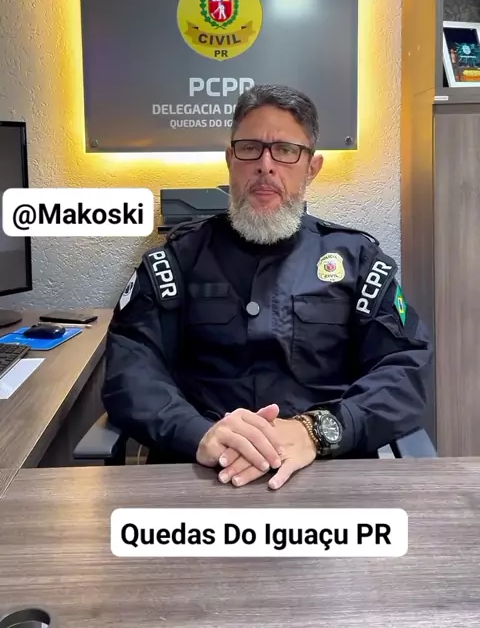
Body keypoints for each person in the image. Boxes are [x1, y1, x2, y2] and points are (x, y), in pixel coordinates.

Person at [102, 84, 432, 490]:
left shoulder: (358, 261)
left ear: (312, 167)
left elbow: (404, 369)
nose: (265, 165)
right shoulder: (176, 261)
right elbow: (131, 369)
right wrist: (196, 433)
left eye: (286, 150)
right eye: (249, 148)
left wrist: (318, 430)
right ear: (230, 159)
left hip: (326, 474)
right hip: (201, 473)